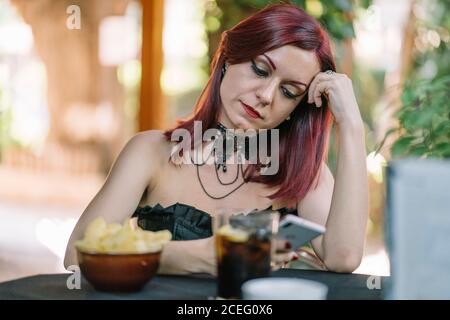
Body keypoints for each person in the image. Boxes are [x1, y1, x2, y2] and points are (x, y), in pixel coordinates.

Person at [64, 3, 368, 275]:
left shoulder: (301, 175)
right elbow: (77, 254)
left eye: (289, 92)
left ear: (295, 110)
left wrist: (352, 127)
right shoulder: (150, 152)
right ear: (227, 60)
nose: (265, 96)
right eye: (260, 69)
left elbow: (344, 257)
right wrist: (193, 256)